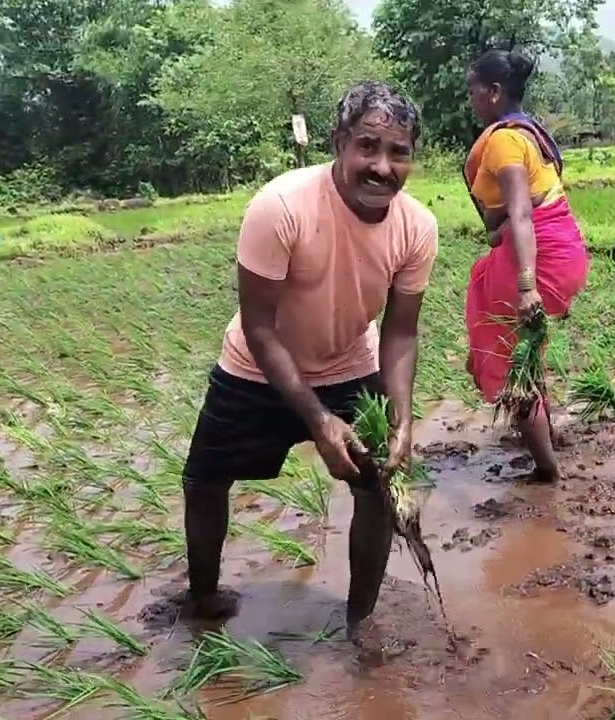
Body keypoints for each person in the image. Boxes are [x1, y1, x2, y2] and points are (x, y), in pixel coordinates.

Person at [177, 82, 438, 634]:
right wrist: (318, 420)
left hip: (350, 363)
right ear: (339, 142)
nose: (382, 167)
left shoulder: (417, 226)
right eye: (368, 146)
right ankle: (202, 599)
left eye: (399, 152)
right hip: (255, 369)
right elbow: (259, 327)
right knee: (204, 480)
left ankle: (360, 622)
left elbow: (400, 333)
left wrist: (403, 419)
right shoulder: (281, 206)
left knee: (377, 484)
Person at [463, 49, 590, 483]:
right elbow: (527, 208)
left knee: (511, 363)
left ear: (494, 91)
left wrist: (526, 286)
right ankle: (544, 437)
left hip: (538, 260)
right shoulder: (531, 133)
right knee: (525, 351)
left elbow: (520, 213)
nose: (471, 100)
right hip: (560, 250)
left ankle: (546, 470)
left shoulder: (504, 141)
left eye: (474, 91)